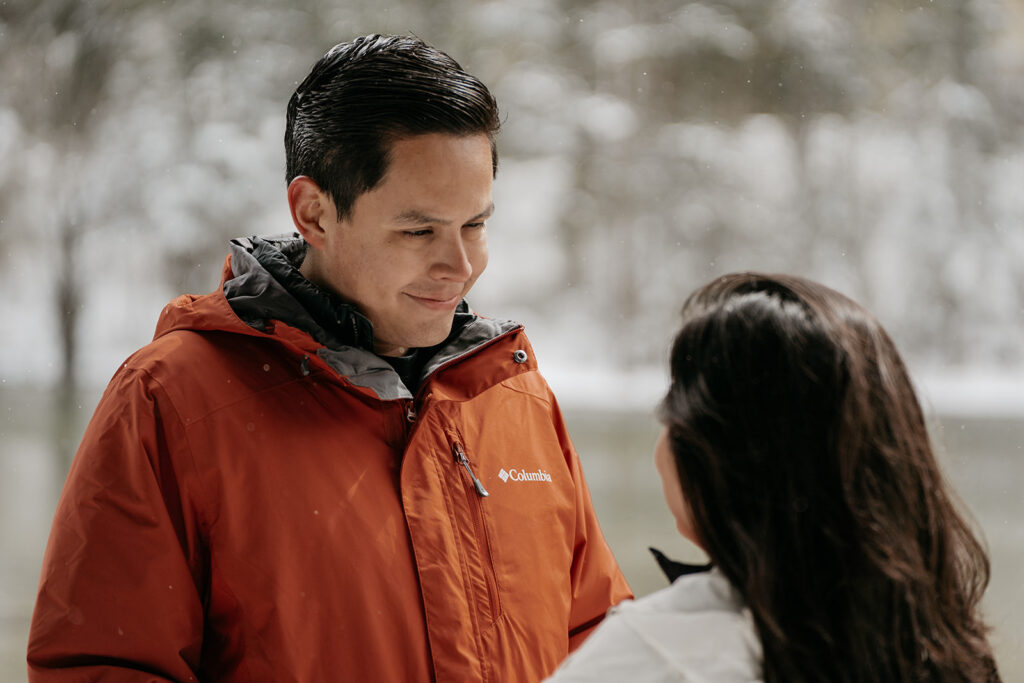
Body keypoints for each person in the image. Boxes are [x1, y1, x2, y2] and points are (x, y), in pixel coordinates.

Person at [28, 34, 631, 681]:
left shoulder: (516, 398)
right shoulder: (170, 401)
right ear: (314, 213)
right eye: (419, 230)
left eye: (475, 225)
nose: (459, 265)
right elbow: (103, 666)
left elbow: (605, 647)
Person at [547, 273, 1000, 682]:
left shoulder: (653, 654)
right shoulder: (937, 641)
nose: (662, 439)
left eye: (671, 412)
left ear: (719, 457)